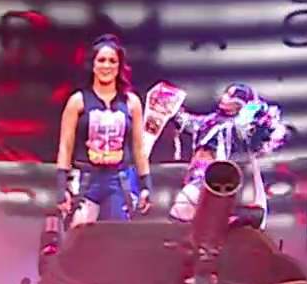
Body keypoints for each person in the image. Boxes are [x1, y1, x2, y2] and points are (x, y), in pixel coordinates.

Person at [55, 35, 152, 227]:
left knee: (116, 238)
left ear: (119, 66)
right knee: (78, 236)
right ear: (93, 65)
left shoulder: (131, 103)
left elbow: (139, 148)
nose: (106, 66)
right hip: (85, 179)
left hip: (119, 180)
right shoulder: (77, 101)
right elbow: (65, 147)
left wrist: (146, 184)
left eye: (112, 61)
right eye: (101, 60)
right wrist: (61, 187)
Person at [168, 83, 285, 228]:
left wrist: (253, 110)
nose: (224, 98)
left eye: (230, 96)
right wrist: (172, 109)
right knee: (185, 213)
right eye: (226, 94)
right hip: (200, 176)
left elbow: (259, 131)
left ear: (239, 104)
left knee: (184, 208)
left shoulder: (241, 127)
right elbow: (190, 122)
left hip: (222, 179)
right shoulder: (211, 121)